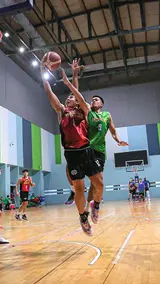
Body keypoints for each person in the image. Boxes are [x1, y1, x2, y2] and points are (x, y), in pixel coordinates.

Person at [42, 63, 103, 236]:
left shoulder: (84, 110)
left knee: (99, 183)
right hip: (71, 154)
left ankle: (96, 206)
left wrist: (72, 79)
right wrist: (42, 72)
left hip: (86, 149)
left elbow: (77, 93)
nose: (69, 98)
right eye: (67, 97)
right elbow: (49, 93)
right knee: (79, 187)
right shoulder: (61, 111)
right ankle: (83, 217)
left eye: (72, 97)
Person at [64, 60, 128, 208]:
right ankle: (74, 189)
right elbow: (76, 91)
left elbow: (113, 131)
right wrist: (74, 73)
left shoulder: (106, 115)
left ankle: (89, 206)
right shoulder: (86, 110)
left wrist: (119, 140)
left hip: (99, 150)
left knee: (96, 181)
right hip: (85, 147)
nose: (93, 100)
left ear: (102, 104)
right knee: (68, 168)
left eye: (96, 99)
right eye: (92, 99)